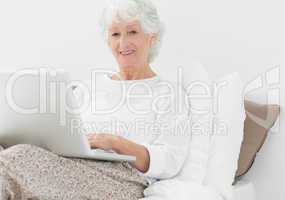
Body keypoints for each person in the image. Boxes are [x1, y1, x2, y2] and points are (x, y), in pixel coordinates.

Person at [0, 0, 191, 199]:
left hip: (122, 179)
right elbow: (59, 132)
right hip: (69, 164)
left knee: (13, 160)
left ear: (152, 38)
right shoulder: (88, 87)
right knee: (9, 153)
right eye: (115, 34)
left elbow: (170, 160)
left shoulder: (169, 94)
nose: (123, 43)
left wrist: (115, 142)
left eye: (132, 32)